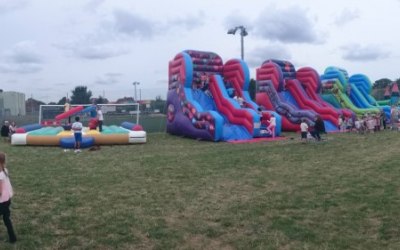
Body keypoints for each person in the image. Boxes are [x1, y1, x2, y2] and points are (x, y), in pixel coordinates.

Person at [0, 152, 17, 243]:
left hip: (2, 202)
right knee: (6, 219)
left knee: (6, 218)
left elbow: (0, 191)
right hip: (7, 200)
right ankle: (12, 238)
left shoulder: (0, 176)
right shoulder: (5, 170)